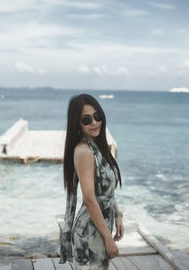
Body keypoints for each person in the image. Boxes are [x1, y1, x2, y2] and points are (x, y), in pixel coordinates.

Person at [59, 93, 124, 269]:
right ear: (77, 124)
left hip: (100, 226)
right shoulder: (84, 151)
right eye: (86, 120)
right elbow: (89, 199)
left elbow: (105, 191)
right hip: (90, 230)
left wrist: (118, 214)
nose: (94, 123)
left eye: (97, 116)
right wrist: (108, 238)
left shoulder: (99, 147)